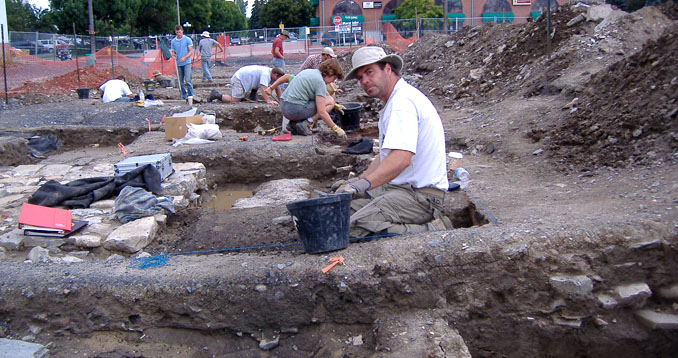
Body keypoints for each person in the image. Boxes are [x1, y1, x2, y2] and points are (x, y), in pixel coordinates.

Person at [335, 46, 451, 237]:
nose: (364, 81)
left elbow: (401, 159)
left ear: (387, 69)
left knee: (355, 226)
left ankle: (434, 230)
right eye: (360, 77)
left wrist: (362, 185)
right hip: (400, 189)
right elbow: (386, 156)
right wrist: (358, 181)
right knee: (341, 212)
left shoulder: (401, 104)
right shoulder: (396, 101)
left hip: (421, 197)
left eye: (369, 72)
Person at [279, 59, 347, 139]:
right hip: (294, 109)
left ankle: (293, 124)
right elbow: (322, 112)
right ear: (329, 73)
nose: (332, 82)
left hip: (284, 107)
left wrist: (335, 105)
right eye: (334, 78)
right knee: (330, 102)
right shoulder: (320, 82)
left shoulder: (311, 72)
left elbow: (325, 94)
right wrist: (336, 128)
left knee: (325, 101)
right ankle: (307, 123)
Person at [208, 65, 284, 105]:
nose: (277, 80)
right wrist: (268, 100)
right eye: (278, 78)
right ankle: (216, 95)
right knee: (235, 100)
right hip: (239, 79)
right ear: (275, 74)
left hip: (245, 78)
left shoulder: (271, 73)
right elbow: (263, 87)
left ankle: (252, 96)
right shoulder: (266, 74)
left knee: (256, 81)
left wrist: (281, 101)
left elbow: (277, 87)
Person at [170, 25, 194, 101]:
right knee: (180, 81)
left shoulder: (187, 39)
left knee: (188, 80)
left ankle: (191, 95)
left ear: (182, 31)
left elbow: (190, 51)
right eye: (177, 32)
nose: (178, 34)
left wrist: (185, 57)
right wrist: (173, 55)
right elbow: (172, 51)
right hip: (178, 64)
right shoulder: (173, 41)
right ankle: (184, 95)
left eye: (180, 32)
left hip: (186, 62)